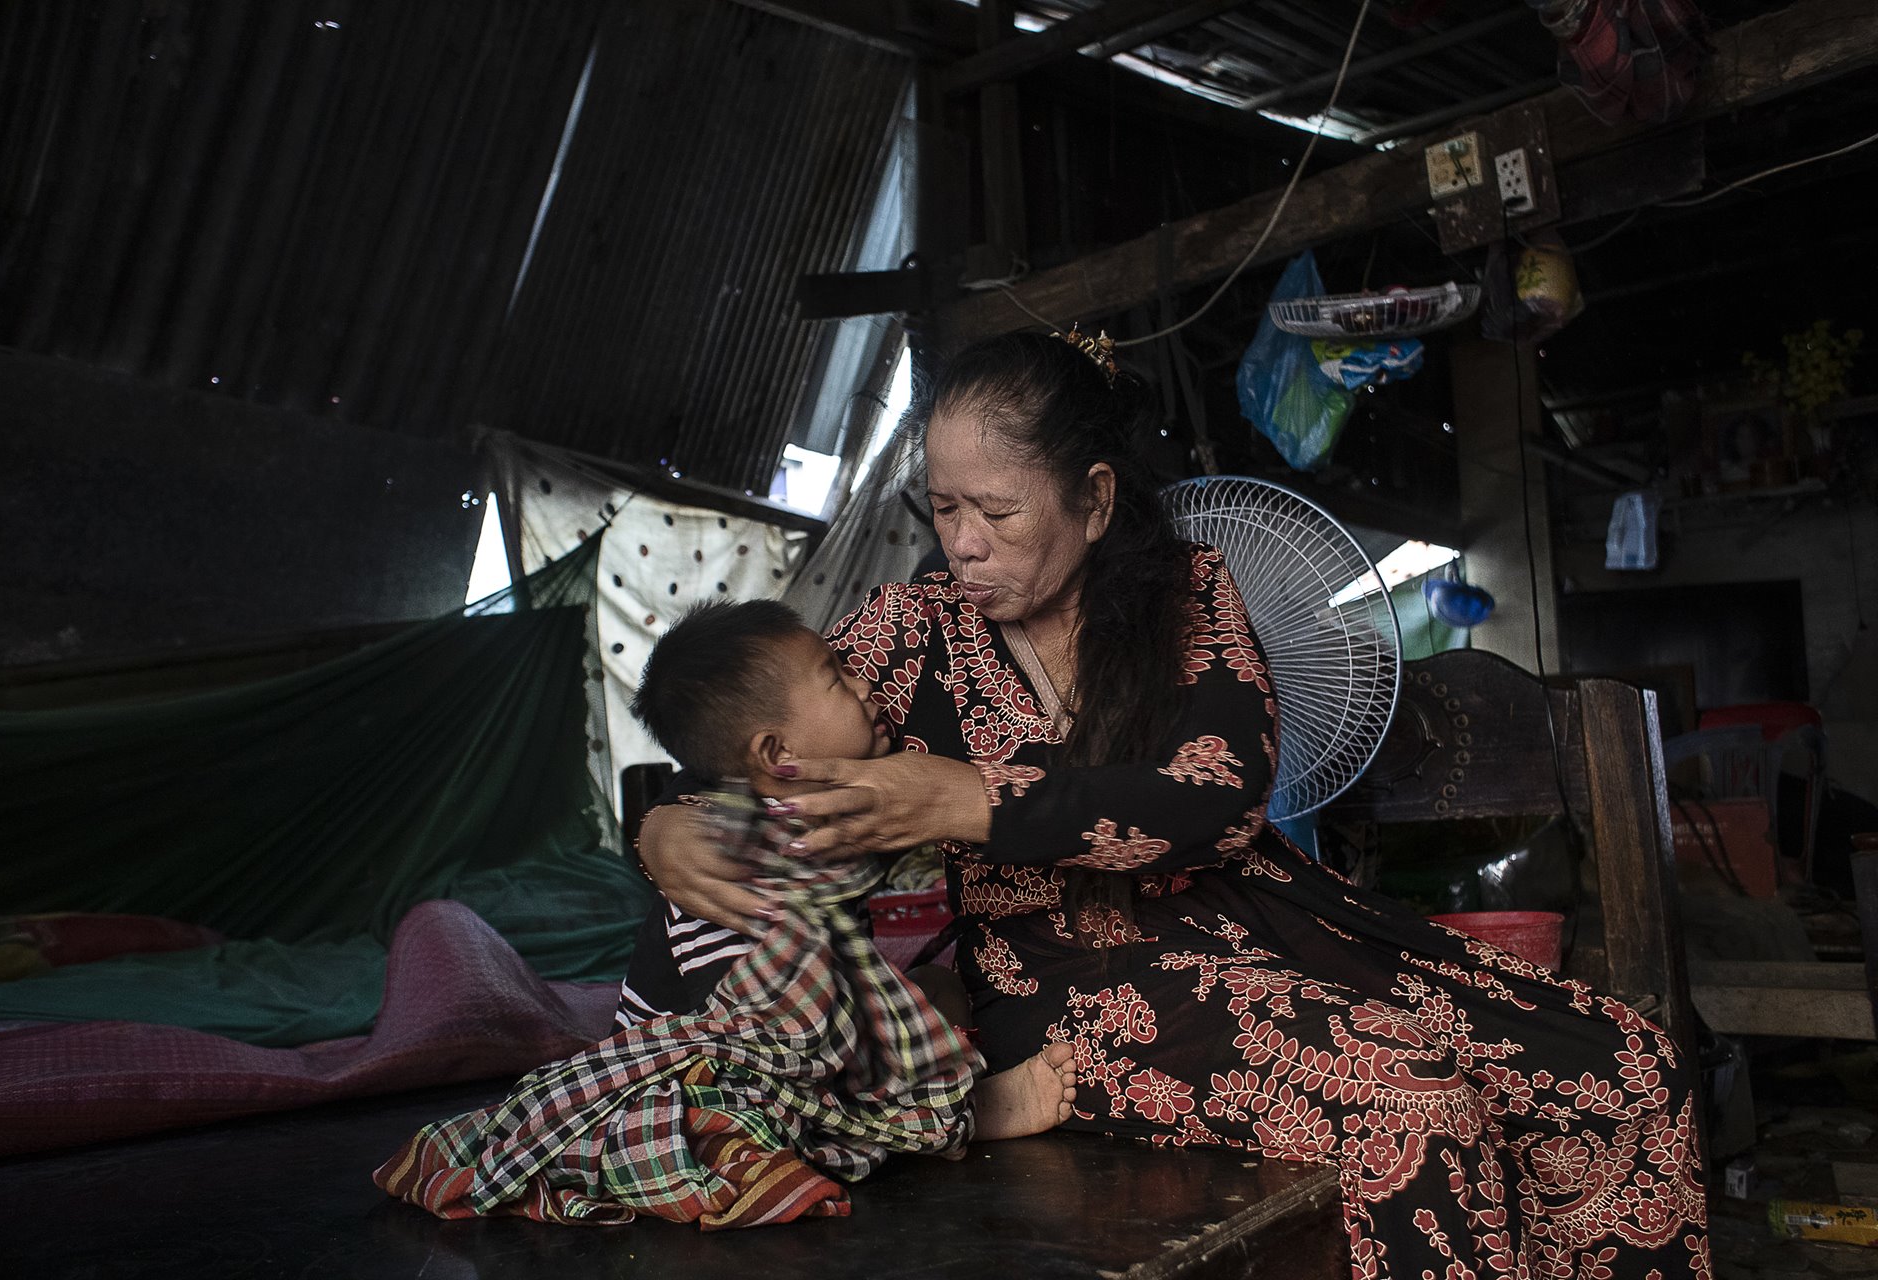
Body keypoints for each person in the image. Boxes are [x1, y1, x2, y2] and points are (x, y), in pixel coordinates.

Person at [636, 331, 1710, 1278]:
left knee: (1623, 1066)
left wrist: (978, 799)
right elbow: (757, 736)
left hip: (1282, 929)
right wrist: (668, 816)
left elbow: (1218, 798)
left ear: (1096, 499)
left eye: (997, 512)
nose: (963, 542)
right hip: (1073, 983)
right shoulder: (905, 631)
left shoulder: (1193, 594)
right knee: (1418, 1103)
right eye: (945, 506)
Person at [622, 598, 1077, 1141]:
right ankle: (963, 1118)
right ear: (776, 751)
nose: (864, 684)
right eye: (834, 678)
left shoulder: (822, 819)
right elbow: (759, 1047)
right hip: (710, 1066)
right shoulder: (740, 867)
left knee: (938, 990)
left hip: (814, 1022)